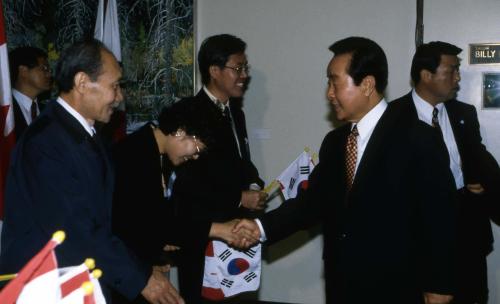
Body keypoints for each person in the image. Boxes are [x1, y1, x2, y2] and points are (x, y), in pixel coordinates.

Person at [235, 37, 458, 304]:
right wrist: (259, 228)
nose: (329, 93)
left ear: (367, 84)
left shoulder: (417, 138)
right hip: (342, 286)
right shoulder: (335, 142)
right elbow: (310, 204)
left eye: (334, 81)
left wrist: (439, 286)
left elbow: (440, 217)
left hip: (395, 287)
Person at [0, 39, 184, 304]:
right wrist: (138, 276)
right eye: (114, 86)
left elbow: (103, 218)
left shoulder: (88, 135)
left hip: (76, 278)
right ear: (83, 83)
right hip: (46, 285)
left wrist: (139, 264)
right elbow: (75, 230)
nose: (120, 97)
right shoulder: (45, 142)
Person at [111, 100, 257, 303]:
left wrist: (154, 248)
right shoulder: (135, 155)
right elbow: (148, 223)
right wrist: (217, 229)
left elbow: (152, 219)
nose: (196, 157)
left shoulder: (156, 153)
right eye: (196, 148)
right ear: (180, 131)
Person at [391, 41, 500, 304]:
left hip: (467, 241)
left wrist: (485, 186)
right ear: (426, 75)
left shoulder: (464, 113)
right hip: (419, 245)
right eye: (451, 70)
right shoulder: (392, 119)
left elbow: (479, 160)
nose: (458, 77)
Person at [171, 34, 268, 303]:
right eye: (238, 68)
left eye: (245, 68)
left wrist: (253, 185)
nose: (244, 75)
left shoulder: (235, 112)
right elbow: (188, 182)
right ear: (214, 71)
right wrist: (237, 197)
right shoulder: (187, 113)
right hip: (203, 236)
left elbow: (240, 163)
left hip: (238, 236)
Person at [9, 46, 52, 138]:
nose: (49, 74)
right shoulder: (5, 112)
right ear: (23, 71)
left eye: (49, 70)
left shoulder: (49, 112)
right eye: (44, 68)